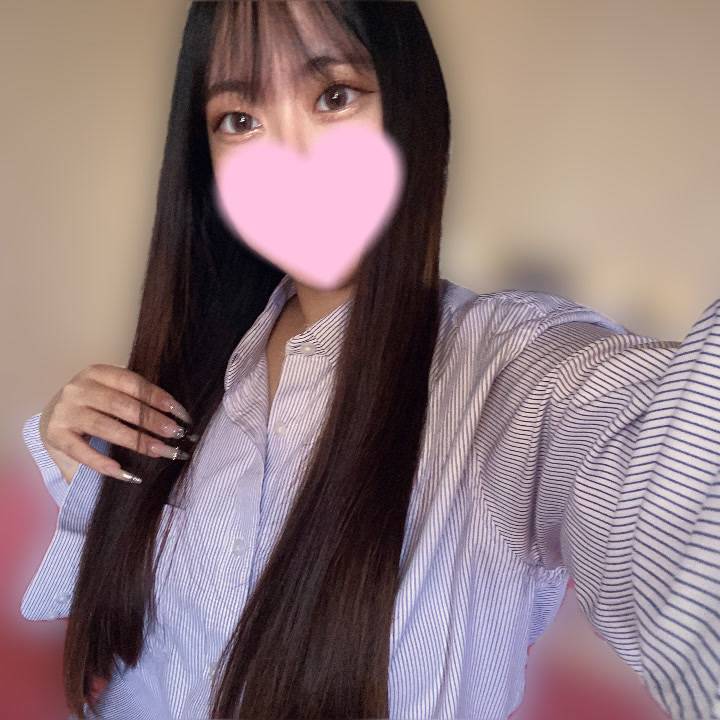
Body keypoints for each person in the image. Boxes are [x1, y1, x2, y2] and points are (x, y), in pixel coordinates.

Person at [19, 1, 720, 719]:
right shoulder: (203, 365)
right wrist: (65, 446)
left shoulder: (507, 369)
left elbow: (672, 475)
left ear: (410, 112)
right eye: (239, 119)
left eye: (334, 96)